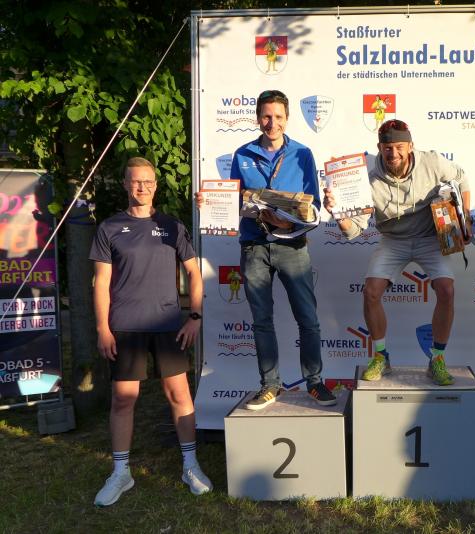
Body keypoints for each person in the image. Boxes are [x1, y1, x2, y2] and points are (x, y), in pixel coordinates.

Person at [198, 89, 336, 410]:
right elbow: (232, 200)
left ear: (287, 118)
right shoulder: (242, 154)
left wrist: (289, 220)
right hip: (255, 246)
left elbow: (313, 204)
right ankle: (270, 385)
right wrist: (210, 203)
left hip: (292, 246)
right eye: (266, 116)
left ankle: (315, 382)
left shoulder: (302, 154)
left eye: (278, 117)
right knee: (261, 320)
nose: (272, 123)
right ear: (257, 117)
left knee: (308, 318)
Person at [91, 157, 212, 507]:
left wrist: (194, 317)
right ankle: (120, 472)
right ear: (125, 184)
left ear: (155, 185)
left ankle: (190, 466)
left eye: (147, 181)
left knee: (179, 395)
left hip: (167, 325)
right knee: (123, 399)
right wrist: (102, 328)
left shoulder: (171, 226)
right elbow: (101, 283)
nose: (141, 187)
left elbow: (194, 273)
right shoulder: (109, 227)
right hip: (125, 326)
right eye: (135, 181)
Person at [323, 119, 471, 385]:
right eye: (388, 148)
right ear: (379, 148)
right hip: (393, 240)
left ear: (410, 146)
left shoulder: (432, 162)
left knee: (447, 290)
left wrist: (464, 217)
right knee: (371, 291)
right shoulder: (367, 181)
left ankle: (437, 358)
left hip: (429, 238)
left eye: (400, 147)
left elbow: (461, 177)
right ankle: (381, 357)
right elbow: (353, 231)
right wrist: (338, 214)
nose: (394, 153)